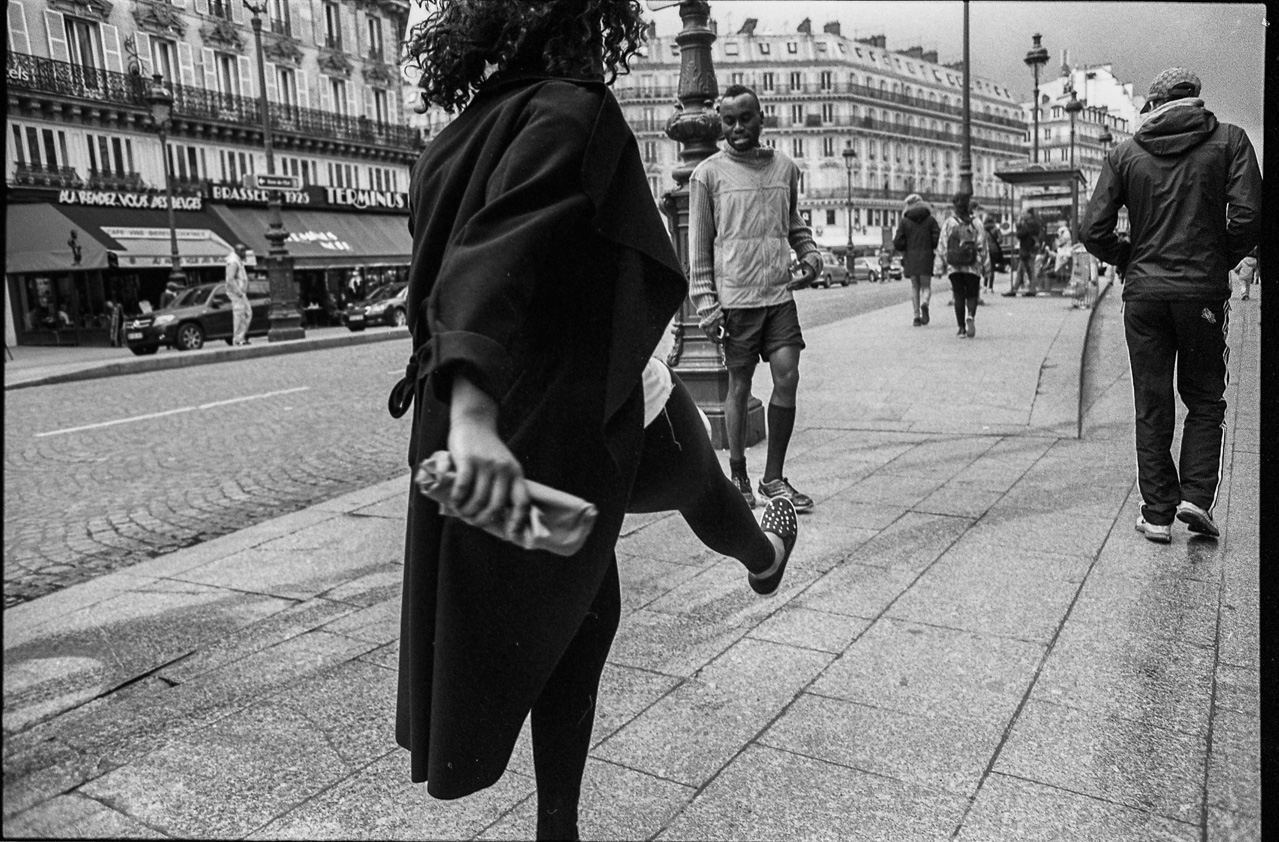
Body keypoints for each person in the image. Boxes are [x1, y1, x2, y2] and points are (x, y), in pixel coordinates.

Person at [390, 6, 796, 840]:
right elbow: (489, 254)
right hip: (570, 410)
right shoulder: (575, 110)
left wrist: (467, 407)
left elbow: (440, 280)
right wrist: (471, 410)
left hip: (503, 433)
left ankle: (558, 826)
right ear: (585, 23)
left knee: (583, 591)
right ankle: (766, 552)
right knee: (698, 500)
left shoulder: (447, 143)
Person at [1080, 67, 1261, 543]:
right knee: (1205, 398)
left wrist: (1128, 258)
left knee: (1152, 401)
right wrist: (1218, 258)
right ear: (1195, 99)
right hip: (1200, 293)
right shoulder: (1231, 140)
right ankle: (1196, 499)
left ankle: (1158, 514)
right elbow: (1250, 215)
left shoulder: (1125, 153)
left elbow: (1092, 230)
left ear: (1154, 105)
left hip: (1144, 296)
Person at [688, 83, 821, 512]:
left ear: (762, 118)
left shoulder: (785, 168)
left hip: (777, 296)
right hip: (736, 301)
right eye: (729, 120)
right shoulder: (706, 175)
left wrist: (810, 253)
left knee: (788, 376)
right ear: (720, 124)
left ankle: (774, 478)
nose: (738, 127)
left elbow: (792, 221)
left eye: (746, 118)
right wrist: (706, 306)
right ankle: (739, 474)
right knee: (740, 388)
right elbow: (699, 249)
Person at [936, 191, 990, 339]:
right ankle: (970, 316)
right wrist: (986, 266)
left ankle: (960, 328)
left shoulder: (949, 223)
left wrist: (939, 267)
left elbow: (942, 245)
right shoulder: (976, 223)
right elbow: (983, 246)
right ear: (969, 205)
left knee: (958, 295)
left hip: (954, 266)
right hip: (973, 265)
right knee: (972, 294)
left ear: (955, 206)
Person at [892, 193, 940, 327]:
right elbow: (937, 237)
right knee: (926, 285)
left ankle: (916, 317)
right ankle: (925, 302)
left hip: (911, 257)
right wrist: (930, 245)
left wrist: (905, 248)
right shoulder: (930, 220)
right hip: (926, 256)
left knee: (914, 286)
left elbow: (898, 242)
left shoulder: (904, 221)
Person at [1005, 207, 1042, 296]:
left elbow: (1019, 234)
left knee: (1028, 270)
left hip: (1027, 249)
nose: (1023, 215)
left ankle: (1029, 289)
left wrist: (1019, 223)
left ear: (1029, 214)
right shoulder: (1035, 223)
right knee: (1022, 270)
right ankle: (1016, 288)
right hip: (1030, 249)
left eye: (1024, 213)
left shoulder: (1028, 224)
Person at [225, 243, 251, 346]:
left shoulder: (237, 261)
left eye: (244, 250)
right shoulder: (233, 262)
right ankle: (238, 339)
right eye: (242, 251)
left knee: (246, 314)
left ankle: (241, 337)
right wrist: (239, 292)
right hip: (237, 294)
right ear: (237, 251)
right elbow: (230, 279)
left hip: (240, 293)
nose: (244, 253)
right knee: (240, 315)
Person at [982, 216, 1004, 296]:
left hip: (985, 250)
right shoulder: (996, 229)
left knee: (986, 267)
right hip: (994, 250)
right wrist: (996, 242)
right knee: (992, 268)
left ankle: (984, 286)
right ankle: (990, 287)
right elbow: (1000, 239)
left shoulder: (983, 229)